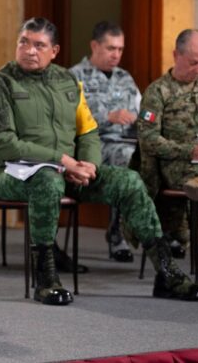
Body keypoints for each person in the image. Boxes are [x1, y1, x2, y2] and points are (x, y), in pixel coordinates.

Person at [0, 17, 198, 305]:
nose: (30, 50)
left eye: (39, 45)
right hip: (10, 173)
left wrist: (89, 165)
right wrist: (63, 162)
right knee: (46, 180)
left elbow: (88, 130)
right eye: (24, 42)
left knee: (130, 181)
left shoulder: (67, 81)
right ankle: (46, 279)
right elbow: (5, 144)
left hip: (66, 172)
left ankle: (167, 273)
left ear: (54, 50)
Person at [70, 21, 141, 262]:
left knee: (150, 159)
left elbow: (140, 112)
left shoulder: (125, 78)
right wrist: (107, 118)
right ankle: (117, 234)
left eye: (120, 49)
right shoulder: (75, 76)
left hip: (128, 141)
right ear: (94, 45)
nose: (116, 54)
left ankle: (165, 233)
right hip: (92, 145)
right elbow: (68, 120)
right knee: (128, 160)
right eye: (111, 48)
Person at [138, 29, 198, 254]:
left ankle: (180, 233)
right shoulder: (158, 92)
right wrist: (189, 151)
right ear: (176, 55)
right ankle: (176, 232)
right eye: (194, 63)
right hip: (174, 164)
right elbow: (148, 140)